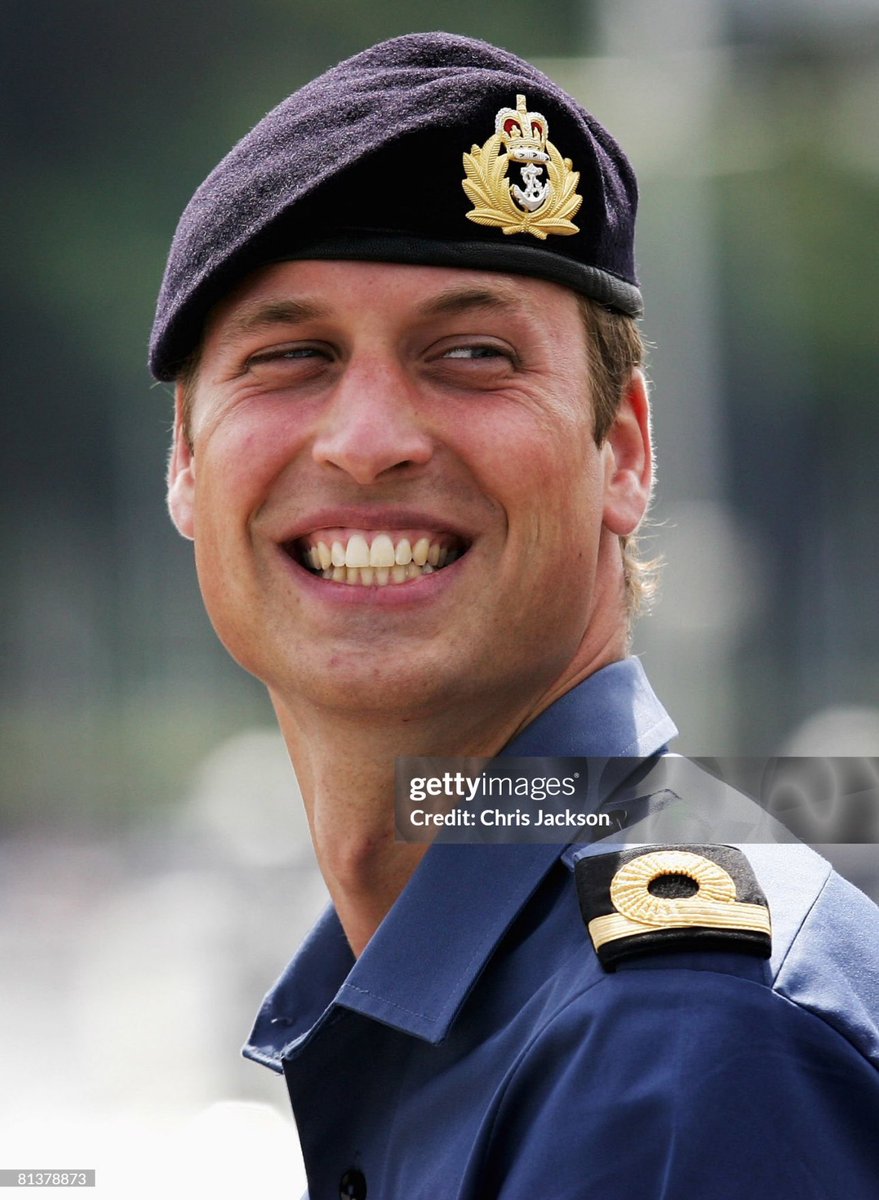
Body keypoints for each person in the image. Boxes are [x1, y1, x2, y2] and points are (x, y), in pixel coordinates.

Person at [151, 32, 879, 1200]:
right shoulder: (532, 990)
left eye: (473, 355)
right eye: (291, 357)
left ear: (626, 452)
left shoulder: (680, 1041)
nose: (370, 438)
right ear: (187, 464)